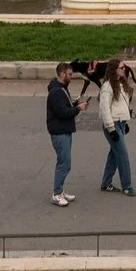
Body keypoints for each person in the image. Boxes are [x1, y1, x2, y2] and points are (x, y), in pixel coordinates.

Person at [47, 63, 86, 206]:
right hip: (60, 131)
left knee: (65, 163)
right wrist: (78, 109)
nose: (71, 77)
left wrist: (74, 104)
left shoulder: (61, 88)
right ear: (62, 74)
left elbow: (64, 106)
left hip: (63, 130)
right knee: (64, 163)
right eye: (69, 74)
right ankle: (56, 193)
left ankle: (60, 191)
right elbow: (62, 112)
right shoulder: (57, 91)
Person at [96, 61, 136, 197]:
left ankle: (106, 183)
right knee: (123, 156)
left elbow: (122, 105)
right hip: (112, 125)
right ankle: (127, 186)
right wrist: (111, 129)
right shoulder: (107, 87)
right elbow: (105, 109)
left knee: (114, 155)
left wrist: (125, 122)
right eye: (121, 68)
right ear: (114, 70)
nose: (124, 69)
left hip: (120, 123)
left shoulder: (121, 84)